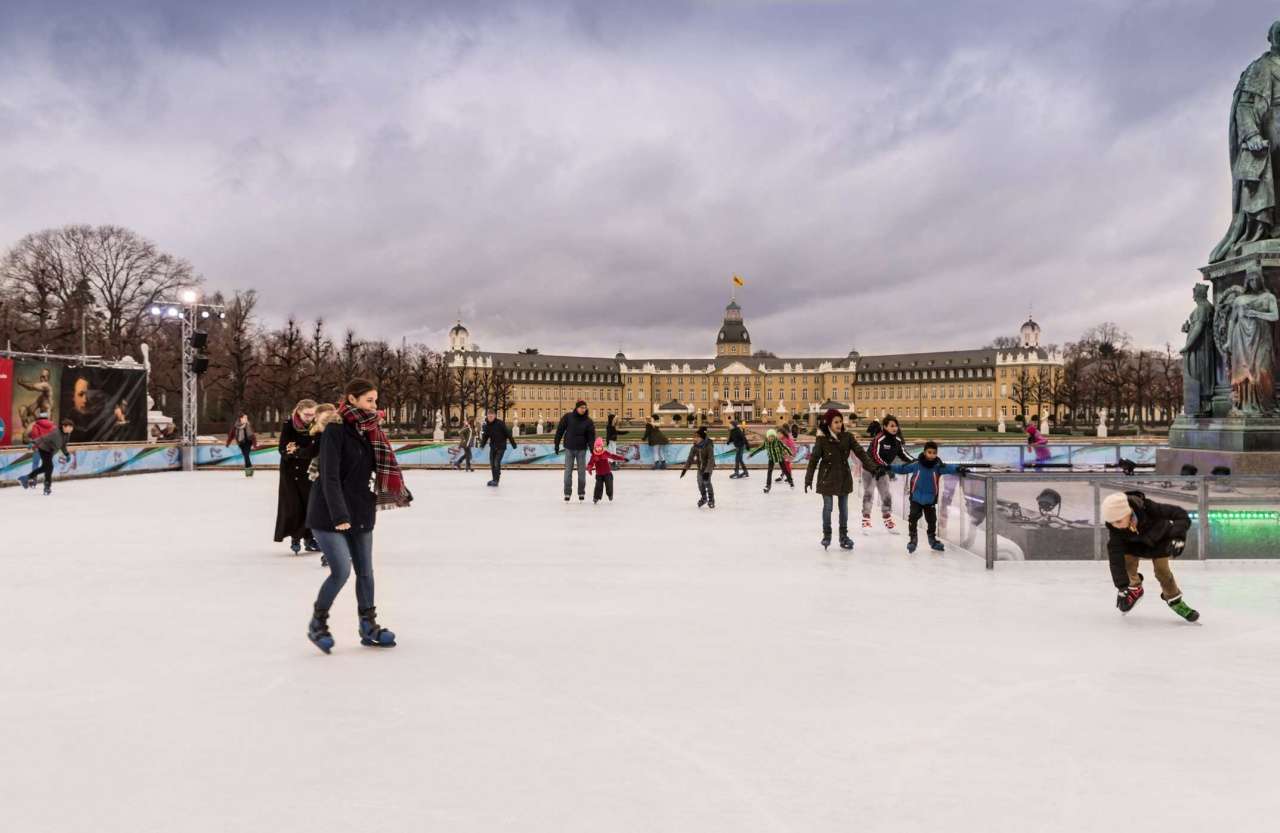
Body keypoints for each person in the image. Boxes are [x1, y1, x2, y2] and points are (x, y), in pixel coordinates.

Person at [305, 379, 412, 654]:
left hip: (360, 508)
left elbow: (379, 466)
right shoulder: (335, 430)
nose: (374, 406)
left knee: (366, 571)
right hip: (329, 512)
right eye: (369, 400)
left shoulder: (371, 431)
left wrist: (395, 490)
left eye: (376, 400)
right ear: (352, 399)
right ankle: (318, 624)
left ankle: (369, 626)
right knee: (341, 571)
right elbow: (328, 476)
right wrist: (339, 514)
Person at [1102, 491, 1200, 622]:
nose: (1116, 526)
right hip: (1134, 545)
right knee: (1126, 563)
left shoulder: (1148, 508)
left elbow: (1180, 515)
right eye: (1112, 522)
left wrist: (1178, 537)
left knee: (1162, 572)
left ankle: (1174, 601)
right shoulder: (1116, 530)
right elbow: (1115, 558)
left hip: (1159, 541)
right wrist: (1122, 586)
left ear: (1128, 512)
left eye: (1118, 521)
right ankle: (1134, 589)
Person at [805, 408, 878, 550]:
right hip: (827, 477)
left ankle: (843, 536)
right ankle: (827, 535)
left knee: (843, 509)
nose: (839, 424)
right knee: (828, 507)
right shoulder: (822, 440)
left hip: (843, 477)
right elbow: (813, 460)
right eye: (836, 422)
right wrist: (808, 479)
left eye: (840, 421)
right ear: (828, 424)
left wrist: (873, 467)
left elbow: (861, 453)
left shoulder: (847, 437)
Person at [891, 441, 971, 554]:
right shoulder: (916, 465)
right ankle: (913, 539)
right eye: (929, 452)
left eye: (934, 453)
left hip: (930, 500)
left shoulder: (938, 467)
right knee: (913, 518)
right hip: (916, 498)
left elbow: (949, 468)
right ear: (924, 452)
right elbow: (902, 468)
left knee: (932, 521)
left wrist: (959, 469)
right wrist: (887, 467)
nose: (932, 455)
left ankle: (932, 540)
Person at [274, 399, 320, 554]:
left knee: (310, 505)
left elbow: (315, 447)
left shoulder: (316, 425)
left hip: (309, 470)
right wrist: (290, 451)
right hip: (291, 471)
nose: (309, 417)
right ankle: (295, 537)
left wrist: (297, 449)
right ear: (299, 412)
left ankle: (310, 538)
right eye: (306, 414)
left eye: (312, 414)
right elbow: (282, 447)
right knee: (293, 506)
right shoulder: (289, 424)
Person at [863, 415, 914, 532]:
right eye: (891, 426)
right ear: (885, 427)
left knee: (886, 495)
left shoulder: (897, 440)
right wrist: (885, 466)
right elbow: (875, 455)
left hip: (882, 470)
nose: (895, 428)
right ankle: (866, 520)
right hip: (869, 469)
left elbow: (903, 454)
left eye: (896, 426)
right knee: (869, 494)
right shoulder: (879, 438)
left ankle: (887, 519)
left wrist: (914, 461)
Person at [554, 400, 597, 502]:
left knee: (581, 473)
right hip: (569, 448)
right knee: (568, 472)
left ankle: (581, 492)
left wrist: (592, 450)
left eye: (585, 408)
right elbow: (560, 430)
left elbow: (591, 437)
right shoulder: (568, 417)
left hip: (581, 450)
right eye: (581, 407)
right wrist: (556, 444)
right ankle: (567, 493)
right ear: (577, 408)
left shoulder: (588, 421)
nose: (583, 409)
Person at [19, 417, 73, 495]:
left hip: (51, 451)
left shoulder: (67, 434)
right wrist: (33, 443)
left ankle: (26, 478)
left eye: (72, 427)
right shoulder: (55, 433)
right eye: (70, 427)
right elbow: (43, 438)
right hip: (44, 449)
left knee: (45, 467)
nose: (71, 429)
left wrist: (67, 454)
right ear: (64, 426)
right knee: (49, 467)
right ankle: (47, 487)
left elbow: (63, 445)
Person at [679, 425, 716, 508]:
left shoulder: (708, 446)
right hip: (700, 468)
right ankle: (704, 498)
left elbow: (711, 460)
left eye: (696, 437)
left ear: (701, 438)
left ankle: (711, 499)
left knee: (707, 482)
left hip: (708, 468)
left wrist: (707, 472)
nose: (694, 439)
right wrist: (685, 469)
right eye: (694, 437)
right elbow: (690, 459)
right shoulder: (694, 447)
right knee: (700, 483)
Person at [478, 409, 516, 487]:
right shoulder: (486, 426)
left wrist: (513, 444)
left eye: (492, 416)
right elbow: (485, 437)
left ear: (495, 416)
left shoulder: (500, 423)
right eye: (489, 416)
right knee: (492, 464)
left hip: (501, 446)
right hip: (493, 447)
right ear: (487, 416)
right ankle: (494, 478)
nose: (490, 417)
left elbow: (508, 433)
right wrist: (482, 445)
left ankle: (496, 480)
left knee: (496, 462)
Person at [748, 428, 792, 492]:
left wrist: (790, 454)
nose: (771, 438)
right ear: (767, 437)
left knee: (785, 470)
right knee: (769, 472)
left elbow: (785, 447)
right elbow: (759, 449)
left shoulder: (778, 442)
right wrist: (751, 454)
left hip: (779, 457)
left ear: (774, 437)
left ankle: (790, 481)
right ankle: (768, 486)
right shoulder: (766, 443)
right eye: (769, 437)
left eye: (772, 437)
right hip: (771, 458)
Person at [587, 437, 627, 503]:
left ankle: (610, 495)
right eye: (597, 447)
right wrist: (589, 469)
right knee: (598, 486)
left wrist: (622, 458)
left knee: (609, 485)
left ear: (602, 447)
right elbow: (590, 463)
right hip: (599, 474)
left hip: (607, 473)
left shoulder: (605, 453)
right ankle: (596, 498)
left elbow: (613, 456)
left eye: (600, 447)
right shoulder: (594, 455)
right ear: (595, 447)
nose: (599, 448)